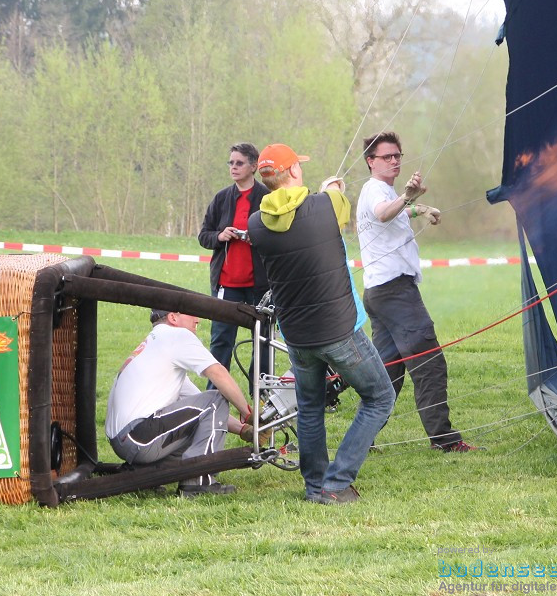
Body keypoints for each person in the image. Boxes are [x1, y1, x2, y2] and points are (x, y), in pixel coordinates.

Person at [247, 143, 395, 505]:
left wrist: (326, 192)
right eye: (297, 166)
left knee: (310, 407)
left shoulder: (255, 224)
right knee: (380, 397)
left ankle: (315, 487)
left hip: (298, 335)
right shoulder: (325, 205)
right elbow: (334, 201)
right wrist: (332, 187)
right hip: (339, 330)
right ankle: (336, 481)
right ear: (294, 173)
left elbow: (306, 209)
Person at [356, 132, 475, 452]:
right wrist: (408, 197)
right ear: (371, 161)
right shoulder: (374, 190)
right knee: (429, 363)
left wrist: (418, 207)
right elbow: (383, 212)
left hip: (380, 293)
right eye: (387, 157)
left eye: (398, 155)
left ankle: (361, 439)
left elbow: (389, 217)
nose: (395, 161)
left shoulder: (380, 191)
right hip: (395, 293)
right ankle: (445, 440)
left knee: (386, 375)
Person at [105, 309, 257, 497]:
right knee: (216, 399)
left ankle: (142, 473)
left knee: (206, 415)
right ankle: (198, 483)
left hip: (127, 442)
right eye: (191, 313)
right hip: (140, 436)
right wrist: (249, 414)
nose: (198, 319)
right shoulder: (176, 335)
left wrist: (243, 430)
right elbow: (218, 374)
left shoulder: (156, 346)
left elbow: (201, 407)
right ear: (173, 317)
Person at [197, 143, 270, 381]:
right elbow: (203, 236)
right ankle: (215, 396)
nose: (234, 167)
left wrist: (256, 237)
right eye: (231, 163)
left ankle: (261, 397)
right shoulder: (221, 198)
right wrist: (220, 236)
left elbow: (279, 238)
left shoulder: (267, 199)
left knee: (263, 343)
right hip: (226, 286)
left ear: (253, 166)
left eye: (239, 163)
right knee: (220, 343)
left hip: (260, 287)